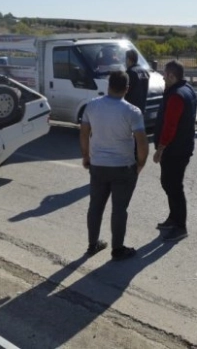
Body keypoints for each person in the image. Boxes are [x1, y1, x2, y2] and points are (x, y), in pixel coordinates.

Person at [80, 70, 149, 261]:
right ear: (127, 89)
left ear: (108, 85)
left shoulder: (92, 106)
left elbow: (84, 133)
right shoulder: (132, 112)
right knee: (119, 209)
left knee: (95, 206)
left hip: (98, 165)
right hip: (123, 167)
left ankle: (92, 244)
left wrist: (86, 156)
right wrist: (140, 164)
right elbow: (142, 143)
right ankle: (117, 249)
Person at [152, 60, 197, 242]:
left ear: (172, 76)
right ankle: (173, 218)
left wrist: (160, 149)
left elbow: (170, 126)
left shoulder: (177, 96)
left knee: (174, 186)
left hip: (175, 150)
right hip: (182, 147)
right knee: (169, 184)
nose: (163, 77)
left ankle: (180, 226)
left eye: (165, 74)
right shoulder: (187, 89)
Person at [124, 49, 149, 115]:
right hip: (141, 109)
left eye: (126, 58)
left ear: (128, 59)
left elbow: (125, 91)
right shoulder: (145, 71)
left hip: (131, 109)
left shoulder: (130, 72)